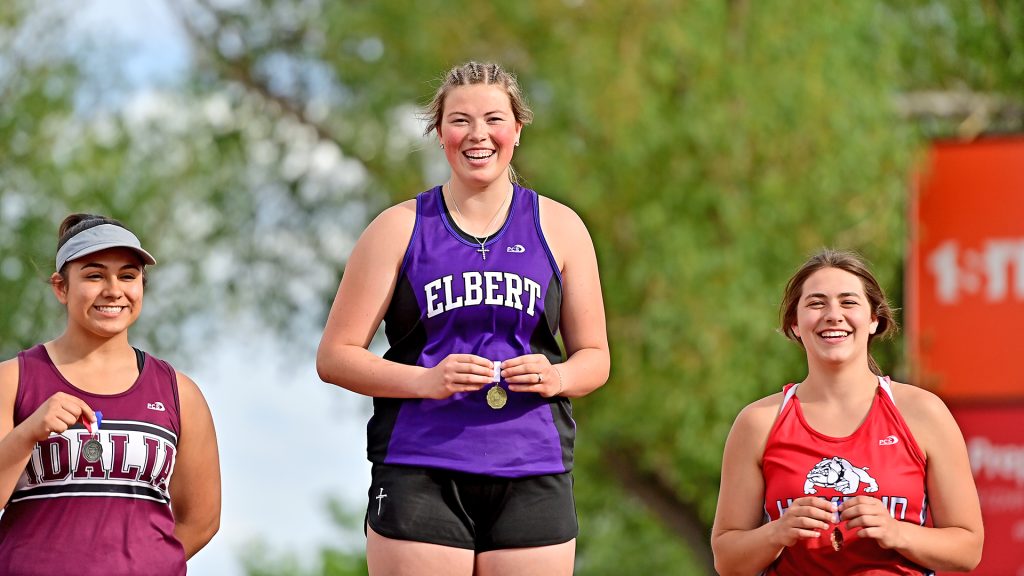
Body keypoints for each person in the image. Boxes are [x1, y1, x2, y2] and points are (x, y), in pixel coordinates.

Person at [317, 61, 610, 576]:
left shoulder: (561, 227)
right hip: (420, 465)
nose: (478, 135)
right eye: (460, 121)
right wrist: (426, 381)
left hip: (532, 466)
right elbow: (335, 357)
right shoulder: (398, 227)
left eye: (494, 119)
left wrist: (557, 375)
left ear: (518, 129)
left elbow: (596, 358)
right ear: (439, 134)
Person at [711, 248, 983, 575]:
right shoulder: (758, 422)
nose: (833, 314)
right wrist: (776, 532)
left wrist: (896, 531)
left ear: (873, 320)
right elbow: (727, 560)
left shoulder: (922, 412)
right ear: (795, 324)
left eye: (848, 302)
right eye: (816, 303)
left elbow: (969, 548)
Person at [0, 214, 221, 575]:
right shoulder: (13, 380)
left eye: (129, 275)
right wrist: (28, 432)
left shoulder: (180, 392)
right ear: (60, 287)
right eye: (94, 275)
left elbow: (201, 521)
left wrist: (144, 565)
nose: (114, 289)